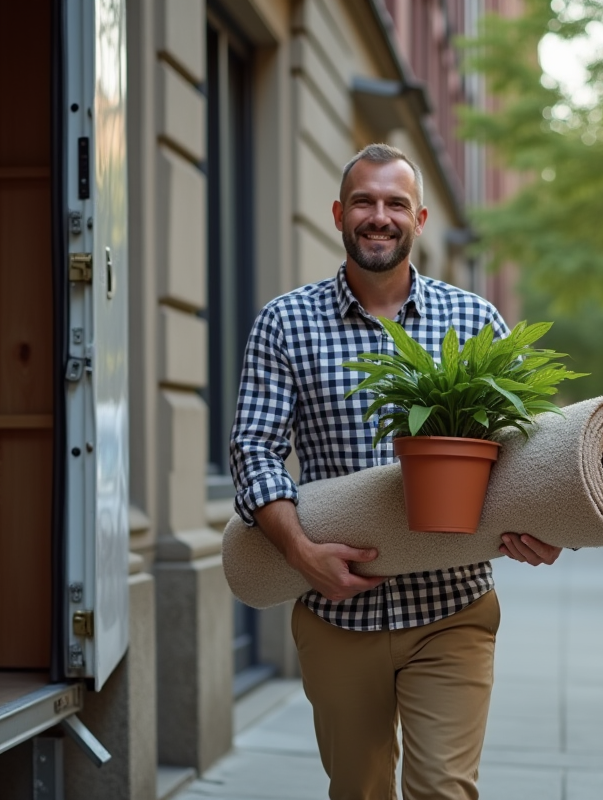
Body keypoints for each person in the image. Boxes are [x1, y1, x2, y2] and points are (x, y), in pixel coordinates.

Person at [229, 143, 563, 800]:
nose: (378, 216)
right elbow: (253, 451)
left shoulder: (474, 321)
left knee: (443, 790)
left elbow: (523, 454)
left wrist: (541, 526)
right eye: (364, 201)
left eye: (394, 203)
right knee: (359, 792)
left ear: (420, 218)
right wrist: (299, 552)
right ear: (338, 213)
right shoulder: (286, 323)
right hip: (337, 613)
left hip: (454, 606)